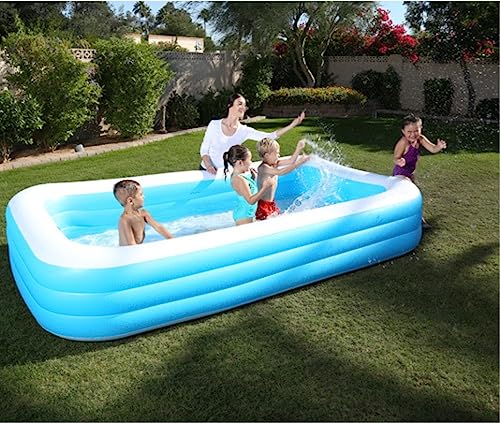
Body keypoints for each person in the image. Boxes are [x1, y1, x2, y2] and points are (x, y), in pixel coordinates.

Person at [200, 93, 305, 174]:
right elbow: (204, 150)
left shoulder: (244, 131)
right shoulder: (214, 125)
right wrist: (209, 167)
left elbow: (269, 136)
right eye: (239, 104)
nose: (243, 107)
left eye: (244, 105)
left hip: (225, 174)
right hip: (206, 171)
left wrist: (292, 125)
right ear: (229, 105)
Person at [392, 113, 447, 228]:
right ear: (403, 131)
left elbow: (432, 148)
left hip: (410, 174)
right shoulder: (403, 143)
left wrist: (439, 147)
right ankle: (417, 221)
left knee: (412, 196)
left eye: (416, 131)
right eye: (409, 132)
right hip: (401, 173)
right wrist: (399, 161)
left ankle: (415, 220)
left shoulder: (420, 139)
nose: (413, 134)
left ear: (420, 129)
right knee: (413, 195)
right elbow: (395, 157)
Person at [255, 138, 310, 220]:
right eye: (277, 153)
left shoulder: (274, 164)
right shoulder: (263, 168)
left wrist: (298, 149)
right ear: (267, 155)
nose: (279, 155)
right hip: (263, 206)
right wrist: (299, 163)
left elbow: (290, 161)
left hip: (271, 204)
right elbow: (281, 172)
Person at [223, 144, 276, 225]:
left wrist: (253, 179)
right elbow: (251, 200)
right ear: (240, 162)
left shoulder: (241, 176)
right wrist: (264, 188)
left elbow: (248, 191)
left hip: (246, 214)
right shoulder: (239, 179)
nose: (251, 163)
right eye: (249, 160)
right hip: (244, 217)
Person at [113, 179, 174, 246]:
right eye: (141, 194)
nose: (144, 197)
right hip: (126, 250)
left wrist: (172, 239)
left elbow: (158, 227)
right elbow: (131, 242)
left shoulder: (143, 213)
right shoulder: (125, 220)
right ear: (130, 201)